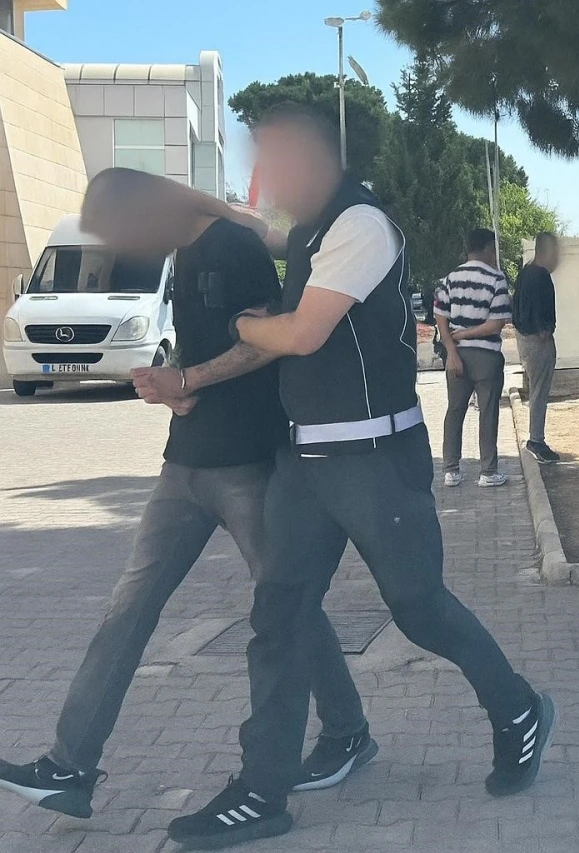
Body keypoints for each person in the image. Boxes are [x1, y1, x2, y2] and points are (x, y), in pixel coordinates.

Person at [155, 107, 552, 850]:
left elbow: (303, 332)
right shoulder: (310, 230)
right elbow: (258, 229)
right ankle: (261, 789)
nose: (267, 176)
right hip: (304, 465)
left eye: (277, 160)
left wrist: (243, 323)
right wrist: (202, 207)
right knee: (279, 615)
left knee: (420, 609)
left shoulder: (362, 225)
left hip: (375, 460)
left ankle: (518, 707)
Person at [0, 168, 371, 820]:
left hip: (247, 463)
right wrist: (174, 383)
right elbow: (208, 348)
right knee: (127, 610)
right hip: (184, 466)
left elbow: (270, 341)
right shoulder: (187, 251)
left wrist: (188, 378)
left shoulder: (234, 244)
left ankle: (346, 731)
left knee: (286, 607)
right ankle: (69, 765)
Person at [437, 228, 513, 488]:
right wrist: (468, 333)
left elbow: (441, 319)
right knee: (488, 412)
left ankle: (451, 470)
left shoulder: (449, 279)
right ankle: (488, 472)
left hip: (456, 356)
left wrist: (452, 349)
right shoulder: (496, 279)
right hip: (486, 356)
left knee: (455, 410)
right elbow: (496, 323)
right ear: (488, 248)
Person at [512, 233, 562, 464]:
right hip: (537, 340)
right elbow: (538, 310)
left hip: (525, 339)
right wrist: (544, 330)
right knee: (539, 392)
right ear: (547, 252)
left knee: (537, 390)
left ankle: (536, 438)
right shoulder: (540, 276)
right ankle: (536, 440)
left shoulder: (525, 273)